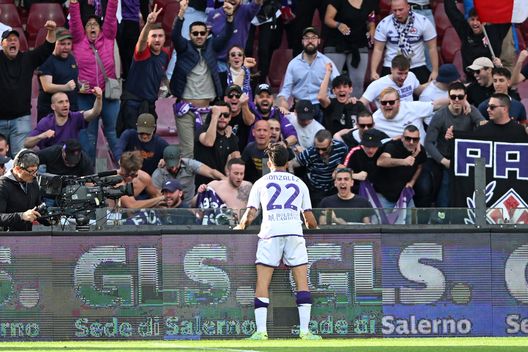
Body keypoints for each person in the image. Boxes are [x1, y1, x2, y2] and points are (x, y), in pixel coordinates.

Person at [234, 143, 321, 341]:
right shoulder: (299, 183)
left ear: (270, 161)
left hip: (270, 233)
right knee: (302, 283)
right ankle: (305, 331)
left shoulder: (261, 182)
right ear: (288, 162)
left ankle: (261, 331)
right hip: (294, 233)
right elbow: (309, 218)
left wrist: (240, 227)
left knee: (263, 283)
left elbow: (250, 214)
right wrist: (314, 227)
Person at [170, 0, 234, 158]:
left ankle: (204, 183)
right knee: (188, 152)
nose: (199, 36)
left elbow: (226, 35)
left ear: (207, 34)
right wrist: (181, 14)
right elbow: (175, 35)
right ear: (190, 35)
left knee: (206, 151)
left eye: (202, 33)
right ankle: (188, 183)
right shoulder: (184, 47)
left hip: (207, 111)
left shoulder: (212, 46)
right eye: (195, 33)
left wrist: (230, 17)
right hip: (185, 110)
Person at [70, 0, 120, 164]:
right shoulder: (78, 41)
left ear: (100, 28)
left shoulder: (108, 38)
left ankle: (124, 171)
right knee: (89, 137)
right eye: (89, 24)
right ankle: (88, 174)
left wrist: (113, 1)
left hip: (108, 95)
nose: (92, 26)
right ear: (84, 29)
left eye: (95, 24)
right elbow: (75, 22)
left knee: (112, 133)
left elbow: (111, 17)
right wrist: (74, 4)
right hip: (86, 97)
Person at [425, 82, 485, 209]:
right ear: (449, 97)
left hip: (467, 159)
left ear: (465, 97)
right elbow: (428, 143)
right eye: (453, 97)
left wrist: (471, 111)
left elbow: (484, 126)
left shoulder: (471, 110)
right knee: (446, 187)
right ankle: (441, 219)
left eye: (460, 97)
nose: (456, 100)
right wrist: (444, 161)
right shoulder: (440, 115)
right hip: (447, 158)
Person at [0, 23, 57, 156]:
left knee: (21, 160)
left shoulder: (27, 59)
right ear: (2, 44)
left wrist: (51, 31)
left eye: (15, 40)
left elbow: (48, 48)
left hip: (21, 119)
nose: (13, 42)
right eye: (9, 40)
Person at [117, 5, 171, 135]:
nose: (157, 39)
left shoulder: (165, 54)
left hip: (150, 104)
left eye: (160, 36)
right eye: (153, 36)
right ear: (148, 39)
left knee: (149, 139)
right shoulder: (143, 52)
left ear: (164, 39)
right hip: (133, 104)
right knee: (132, 140)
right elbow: (140, 43)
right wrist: (148, 24)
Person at [278, 27, 339, 122]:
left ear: (319, 41)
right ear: (302, 41)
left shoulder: (327, 62)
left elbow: (338, 84)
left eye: (313, 38)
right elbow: (286, 90)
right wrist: (282, 103)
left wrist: (331, 99)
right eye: (307, 38)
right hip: (300, 105)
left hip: (320, 106)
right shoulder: (293, 64)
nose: (310, 41)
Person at [370, 0, 438, 84]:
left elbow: (432, 48)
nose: (397, 13)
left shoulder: (423, 21)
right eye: (394, 10)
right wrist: (373, 71)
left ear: (408, 7)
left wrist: (435, 71)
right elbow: (378, 49)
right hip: (391, 66)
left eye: (400, 10)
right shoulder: (384, 23)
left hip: (417, 65)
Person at [323, 0, 377, 98]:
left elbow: (371, 20)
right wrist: (338, 25)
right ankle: (331, 109)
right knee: (332, 80)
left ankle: (354, 109)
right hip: (337, 43)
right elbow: (328, 19)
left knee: (358, 81)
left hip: (359, 43)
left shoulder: (369, 2)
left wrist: (372, 29)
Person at [24, 88, 103, 149]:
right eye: (61, 102)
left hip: (71, 160)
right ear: (53, 107)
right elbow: (27, 143)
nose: (65, 105)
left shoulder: (75, 117)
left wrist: (99, 98)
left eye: (67, 101)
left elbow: (94, 112)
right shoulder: (46, 122)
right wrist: (42, 136)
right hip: (50, 163)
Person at [444, 0, 510, 74]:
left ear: (484, 21)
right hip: (471, 80)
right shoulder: (465, 30)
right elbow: (451, 10)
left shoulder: (495, 32)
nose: (475, 23)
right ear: (468, 20)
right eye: (472, 19)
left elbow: (509, 15)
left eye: (478, 19)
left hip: (491, 79)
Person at [152, 144, 226, 207]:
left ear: (180, 158)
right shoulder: (158, 174)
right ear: (164, 161)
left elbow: (211, 172)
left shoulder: (189, 164)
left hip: (190, 204)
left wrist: (225, 179)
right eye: (170, 166)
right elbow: (158, 198)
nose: (173, 168)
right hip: (169, 207)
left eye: (175, 164)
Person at [376, 125, 427, 214]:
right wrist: (403, 161)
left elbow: (419, 166)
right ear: (402, 138)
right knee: (383, 225)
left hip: (404, 195)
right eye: (408, 138)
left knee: (410, 225)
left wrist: (412, 182)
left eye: (415, 139)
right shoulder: (393, 146)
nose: (411, 142)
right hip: (385, 195)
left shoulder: (420, 150)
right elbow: (381, 161)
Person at [292, 129, 349, 207]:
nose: (320, 152)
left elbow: (348, 161)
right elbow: (292, 164)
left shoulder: (341, 148)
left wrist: (341, 167)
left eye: (324, 149)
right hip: (316, 189)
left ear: (331, 143)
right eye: (317, 148)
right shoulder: (310, 152)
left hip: (334, 187)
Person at [207, 0, 262, 72]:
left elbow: (257, 3)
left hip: (237, 63)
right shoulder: (213, 14)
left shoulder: (245, 11)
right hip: (218, 63)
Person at [194, 101, 240, 187]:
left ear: (230, 117)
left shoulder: (232, 137)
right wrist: (214, 116)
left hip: (222, 185)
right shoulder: (203, 129)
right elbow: (209, 142)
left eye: (225, 115)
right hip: (202, 186)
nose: (222, 117)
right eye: (219, 115)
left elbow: (236, 159)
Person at [37, 28, 79, 121]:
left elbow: (71, 78)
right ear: (54, 43)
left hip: (70, 110)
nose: (66, 47)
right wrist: (66, 87)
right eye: (62, 44)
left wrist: (79, 86)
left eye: (69, 44)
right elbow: (47, 86)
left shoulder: (71, 58)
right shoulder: (46, 59)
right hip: (50, 112)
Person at [0, 150, 44, 231]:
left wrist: (48, 218)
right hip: (6, 239)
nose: (34, 175)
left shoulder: (33, 182)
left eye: (36, 170)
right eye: (31, 171)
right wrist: (22, 216)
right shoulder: (2, 186)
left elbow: (37, 209)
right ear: (17, 169)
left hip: (27, 237)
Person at [318, 68, 367, 135]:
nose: (341, 90)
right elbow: (321, 97)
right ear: (334, 91)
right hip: (335, 143)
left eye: (345, 86)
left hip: (354, 141)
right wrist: (328, 72)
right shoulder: (331, 104)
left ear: (350, 89)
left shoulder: (357, 105)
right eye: (338, 87)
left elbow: (368, 123)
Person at [224, 84, 255, 152]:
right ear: (225, 99)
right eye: (230, 95)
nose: (234, 98)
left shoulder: (246, 109)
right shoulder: (219, 112)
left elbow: (249, 122)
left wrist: (244, 104)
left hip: (243, 154)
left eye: (237, 95)